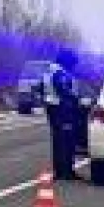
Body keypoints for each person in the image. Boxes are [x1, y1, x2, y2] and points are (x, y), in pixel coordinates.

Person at [39, 49, 82, 181]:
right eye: (73, 63)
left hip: (52, 107)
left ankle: (59, 171)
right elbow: (63, 90)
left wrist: (45, 100)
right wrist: (76, 100)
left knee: (58, 140)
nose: (74, 67)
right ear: (66, 62)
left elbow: (40, 87)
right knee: (67, 140)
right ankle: (67, 171)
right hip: (62, 108)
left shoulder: (48, 71)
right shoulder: (60, 73)